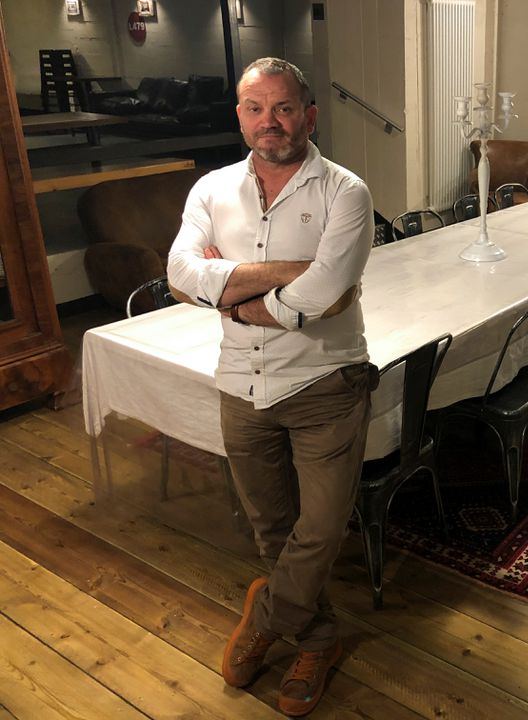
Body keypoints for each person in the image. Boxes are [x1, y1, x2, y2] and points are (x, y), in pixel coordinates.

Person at [166, 57, 374, 717]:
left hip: (324, 384)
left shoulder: (346, 192)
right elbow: (179, 272)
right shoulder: (211, 190)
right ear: (240, 117)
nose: (270, 122)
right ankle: (316, 636)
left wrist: (235, 290)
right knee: (272, 526)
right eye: (256, 109)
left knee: (321, 527)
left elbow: (329, 288)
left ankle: (267, 618)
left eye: (283, 108)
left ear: (309, 115)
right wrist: (291, 276)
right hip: (241, 385)